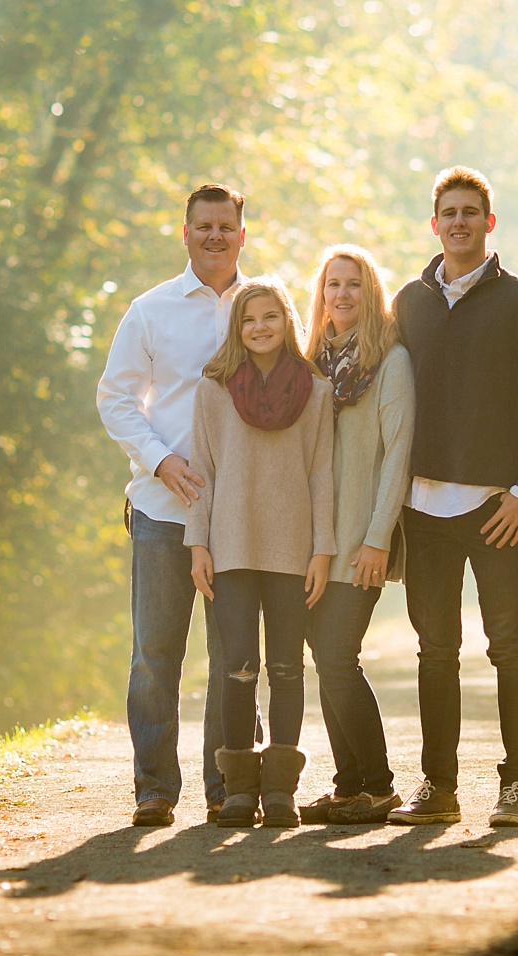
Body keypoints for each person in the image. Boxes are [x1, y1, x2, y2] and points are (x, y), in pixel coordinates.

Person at [387, 165, 518, 828]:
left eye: (471, 212)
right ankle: (439, 788)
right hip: (422, 509)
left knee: (507, 645)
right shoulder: (408, 302)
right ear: (434, 223)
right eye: (448, 212)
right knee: (435, 651)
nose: (459, 222)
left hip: (498, 509)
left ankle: (517, 785)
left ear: (488, 223)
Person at [97, 183, 255, 827]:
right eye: (203, 227)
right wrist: (160, 458)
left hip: (240, 516)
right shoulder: (152, 310)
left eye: (226, 227)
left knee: (233, 655)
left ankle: (227, 787)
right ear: (184, 234)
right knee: (155, 655)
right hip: (164, 509)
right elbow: (115, 398)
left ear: (242, 236)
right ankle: (155, 789)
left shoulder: (264, 305)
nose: (215, 237)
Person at [186, 277, 336, 828]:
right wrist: (196, 543)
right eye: (249, 319)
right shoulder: (214, 390)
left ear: (287, 321)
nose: (259, 327)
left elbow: (322, 474)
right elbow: (201, 472)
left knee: (287, 668)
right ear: (237, 327)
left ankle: (280, 793)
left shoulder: (316, 393)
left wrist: (323, 550)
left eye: (270, 316)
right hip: (229, 547)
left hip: (293, 549)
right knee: (236, 668)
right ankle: (240, 792)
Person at [296, 245, 415, 826]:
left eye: (354, 284)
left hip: (363, 538)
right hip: (316, 540)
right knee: (326, 656)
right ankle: (348, 787)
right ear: (321, 295)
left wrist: (378, 537)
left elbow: (398, 456)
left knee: (339, 655)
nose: (341, 294)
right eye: (332, 284)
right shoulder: (311, 364)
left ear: (371, 293)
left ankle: (379, 785)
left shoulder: (391, 362)